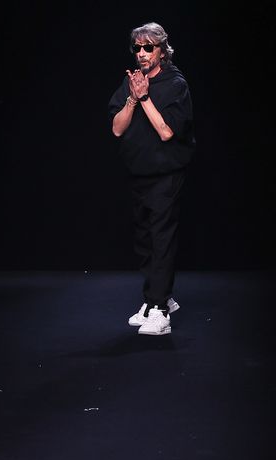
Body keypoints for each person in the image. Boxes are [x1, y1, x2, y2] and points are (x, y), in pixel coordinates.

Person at [108, 22, 195, 336]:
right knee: (145, 241)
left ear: (162, 50)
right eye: (137, 48)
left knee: (161, 240)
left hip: (165, 175)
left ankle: (159, 309)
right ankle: (158, 298)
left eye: (149, 48)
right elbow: (118, 128)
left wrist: (144, 99)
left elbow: (167, 132)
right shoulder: (132, 82)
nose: (142, 54)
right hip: (139, 174)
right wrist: (133, 98)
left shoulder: (175, 83)